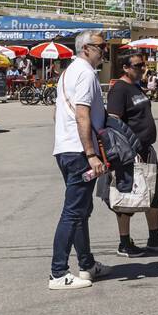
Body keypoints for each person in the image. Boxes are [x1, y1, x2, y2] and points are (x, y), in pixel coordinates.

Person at [49, 30, 111, 290]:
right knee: (74, 212)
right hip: (79, 152)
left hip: (65, 148)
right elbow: (82, 115)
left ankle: (87, 264)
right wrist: (91, 153)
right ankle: (58, 272)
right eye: (101, 47)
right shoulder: (85, 73)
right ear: (86, 48)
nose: (104, 51)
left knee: (81, 211)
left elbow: (57, 114)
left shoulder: (68, 72)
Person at [106, 52, 158, 256]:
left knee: (154, 193)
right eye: (138, 65)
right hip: (131, 152)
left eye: (143, 65)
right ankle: (124, 242)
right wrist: (129, 147)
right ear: (125, 67)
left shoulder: (135, 87)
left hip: (147, 150)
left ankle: (154, 236)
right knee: (128, 195)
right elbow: (113, 122)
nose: (142, 69)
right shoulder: (119, 89)